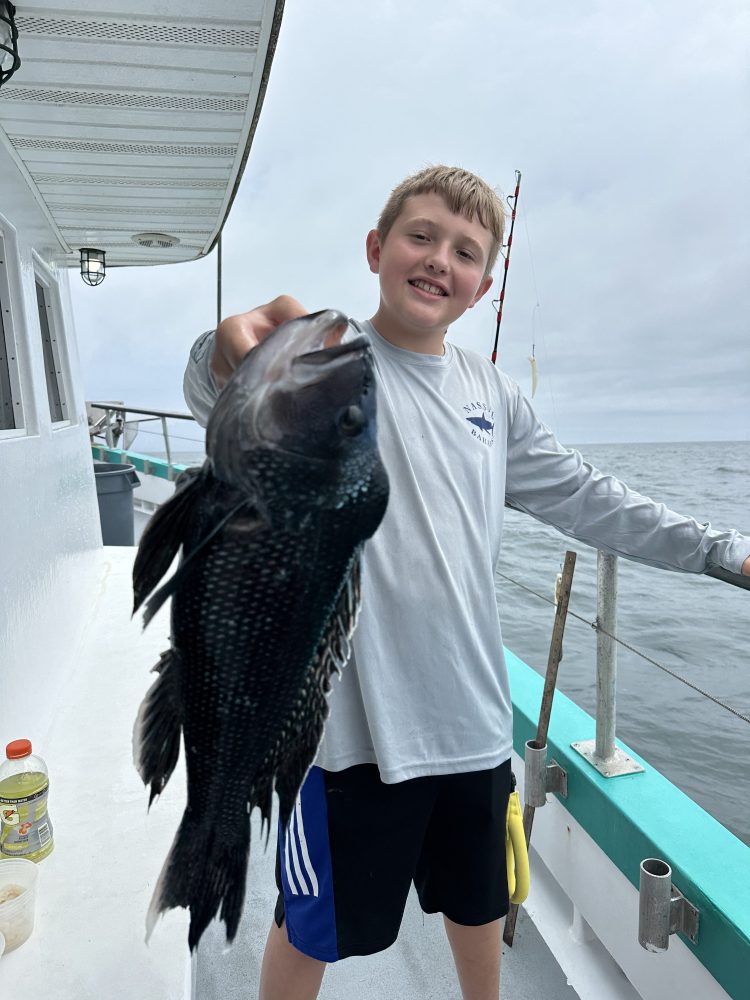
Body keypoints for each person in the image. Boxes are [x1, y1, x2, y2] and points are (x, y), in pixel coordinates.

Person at [183, 165, 750, 1000]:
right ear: (377, 249)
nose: (440, 259)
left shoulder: (495, 397)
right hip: (346, 737)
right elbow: (214, 387)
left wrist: (723, 552)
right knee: (310, 926)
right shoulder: (330, 360)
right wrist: (225, 349)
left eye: (466, 251)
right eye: (421, 236)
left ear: (483, 285)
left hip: (474, 724)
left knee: (479, 905)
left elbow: (592, 498)